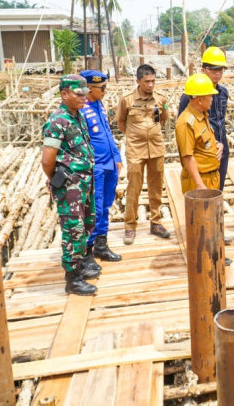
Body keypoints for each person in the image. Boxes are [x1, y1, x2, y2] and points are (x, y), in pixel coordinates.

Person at [41, 75, 98, 296]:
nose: (84, 97)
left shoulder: (78, 116)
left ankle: (81, 265)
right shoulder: (57, 121)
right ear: (64, 94)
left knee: (86, 224)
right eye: (78, 94)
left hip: (84, 183)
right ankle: (72, 278)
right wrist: (59, 180)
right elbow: (48, 160)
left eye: (85, 93)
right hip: (70, 187)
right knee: (73, 230)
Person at [174, 73, 231, 266]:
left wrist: (218, 145)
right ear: (199, 100)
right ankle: (204, 261)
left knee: (211, 221)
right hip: (200, 179)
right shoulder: (186, 122)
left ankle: (214, 253)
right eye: (209, 97)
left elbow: (205, 142)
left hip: (211, 176)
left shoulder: (201, 116)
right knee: (200, 223)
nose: (212, 99)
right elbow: (187, 156)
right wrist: (199, 185)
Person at [116, 64, 171, 243]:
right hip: (135, 150)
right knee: (134, 188)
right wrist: (135, 135)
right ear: (138, 81)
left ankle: (156, 222)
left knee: (156, 188)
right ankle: (130, 226)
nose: (150, 85)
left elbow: (163, 119)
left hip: (156, 148)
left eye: (153, 81)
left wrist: (151, 132)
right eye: (147, 81)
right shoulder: (127, 100)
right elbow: (121, 123)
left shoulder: (161, 99)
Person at [79, 70, 122, 275]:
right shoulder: (81, 109)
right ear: (89, 88)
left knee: (105, 206)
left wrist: (117, 157)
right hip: (95, 167)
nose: (105, 91)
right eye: (102, 88)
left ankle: (101, 246)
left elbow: (107, 132)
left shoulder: (100, 105)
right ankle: (87, 253)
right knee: (93, 209)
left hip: (109, 165)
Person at [178, 46, 229, 189]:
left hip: (220, 149)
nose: (217, 74)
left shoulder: (223, 92)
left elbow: (220, 122)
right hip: (201, 155)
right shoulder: (189, 97)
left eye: (220, 70)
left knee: (218, 188)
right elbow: (184, 131)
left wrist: (220, 144)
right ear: (203, 70)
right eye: (213, 70)